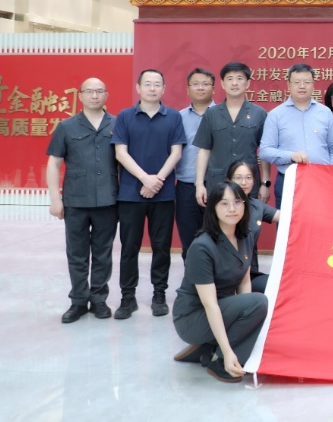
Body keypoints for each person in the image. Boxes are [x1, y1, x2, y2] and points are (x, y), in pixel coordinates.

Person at [171, 181, 268, 384]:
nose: (232, 208)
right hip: (192, 317)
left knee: (256, 303)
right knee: (258, 302)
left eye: (237, 202)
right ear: (213, 208)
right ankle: (220, 360)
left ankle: (209, 348)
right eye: (224, 203)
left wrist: (248, 317)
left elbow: (244, 282)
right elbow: (210, 304)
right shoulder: (202, 247)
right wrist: (227, 350)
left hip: (221, 308)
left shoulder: (245, 236)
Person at [111, 69, 186, 320]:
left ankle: (159, 295)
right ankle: (127, 297)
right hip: (130, 194)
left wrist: (157, 181)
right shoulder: (125, 116)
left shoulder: (173, 117)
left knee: (161, 247)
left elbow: (176, 153)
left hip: (163, 194)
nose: (152, 88)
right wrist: (145, 179)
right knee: (129, 247)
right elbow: (120, 153)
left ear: (163, 89)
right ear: (138, 87)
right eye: (148, 84)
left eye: (157, 84)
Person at [46, 77, 119, 323]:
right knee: (76, 253)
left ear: (106, 94)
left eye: (99, 91)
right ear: (80, 96)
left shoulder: (117, 124)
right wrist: (55, 199)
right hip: (75, 201)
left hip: (108, 200)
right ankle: (78, 301)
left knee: (103, 253)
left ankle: (98, 300)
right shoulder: (66, 126)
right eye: (89, 91)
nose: (94, 96)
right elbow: (54, 163)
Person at [193, 62, 270, 216]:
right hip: (217, 182)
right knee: (217, 225)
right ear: (222, 84)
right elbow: (204, 150)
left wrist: (265, 183)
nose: (234, 83)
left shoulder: (259, 113)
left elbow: (265, 151)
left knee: (247, 225)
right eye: (230, 79)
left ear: (247, 83)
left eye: (239, 79)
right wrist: (199, 184)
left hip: (247, 184)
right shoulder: (211, 114)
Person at [259, 63, 333, 209]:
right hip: (290, 182)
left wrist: (331, 171)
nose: (302, 86)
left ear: (313, 84)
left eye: (307, 82)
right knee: (290, 223)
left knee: (321, 221)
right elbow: (265, 151)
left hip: (321, 180)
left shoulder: (325, 112)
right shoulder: (276, 115)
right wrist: (290, 156)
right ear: (289, 85)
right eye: (297, 82)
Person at [175, 68, 215, 261]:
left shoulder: (222, 115)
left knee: (218, 239)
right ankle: (191, 279)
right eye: (196, 84)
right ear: (187, 89)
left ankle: (217, 280)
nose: (200, 88)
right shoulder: (178, 118)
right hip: (186, 186)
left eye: (205, 84)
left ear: (214, 88)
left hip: (217, 185)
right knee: (189, 239)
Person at [226, 160, 280, 293]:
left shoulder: (257, 206)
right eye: (238, 178)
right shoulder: (221, 205)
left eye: (248, 178)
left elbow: (287, 217)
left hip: (249, 273)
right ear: (229, 180)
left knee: (279, 287)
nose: (244, 182)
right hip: (223, 274)